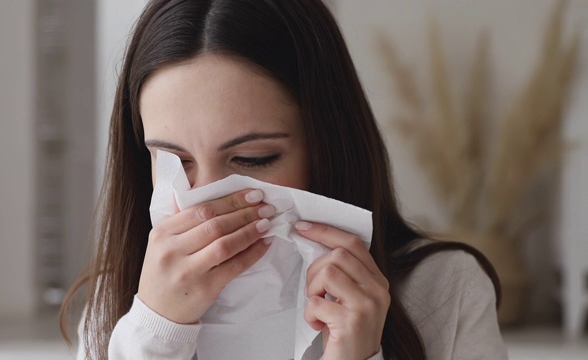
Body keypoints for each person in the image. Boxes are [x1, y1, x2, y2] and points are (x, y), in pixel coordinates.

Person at [61, 1, 508, 359]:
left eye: (254, 158)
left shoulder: (445, 290)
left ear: (327, 141)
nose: (204, 203)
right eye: (173, 160)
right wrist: (154, 334)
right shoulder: (119, 300)